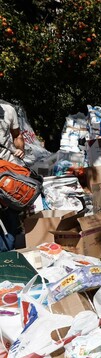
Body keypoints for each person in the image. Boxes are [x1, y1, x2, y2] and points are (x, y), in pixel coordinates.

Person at [0, 102, 26, 249]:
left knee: (10, 211)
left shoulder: (8, 111)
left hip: (6, 170)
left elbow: (17, 136)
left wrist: (20, 149)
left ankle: (9, 252)